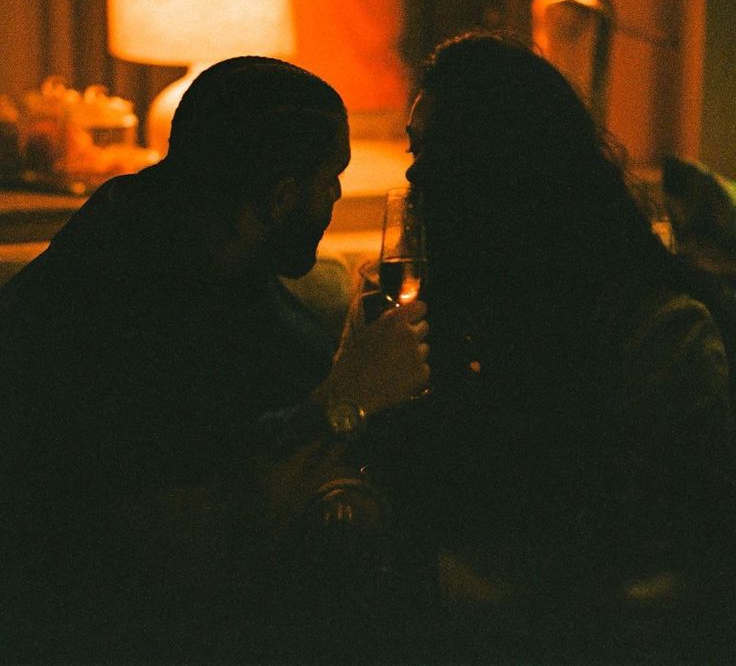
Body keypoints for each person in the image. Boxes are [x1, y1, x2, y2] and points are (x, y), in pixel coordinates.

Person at [0, 57, 429, 661]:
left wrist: (352, 351)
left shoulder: (210, 241)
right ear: (281, 195)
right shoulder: (125, 295)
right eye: (330, 177)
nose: (335, 195)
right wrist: (349, 397)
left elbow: (273, 398)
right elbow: (194, 527)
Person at [374, 33, 736, 663]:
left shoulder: (656, 327)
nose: (414, 172)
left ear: (504, 166)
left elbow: (656, 544)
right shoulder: (467, 301)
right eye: (413, 148)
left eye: (437, 150)